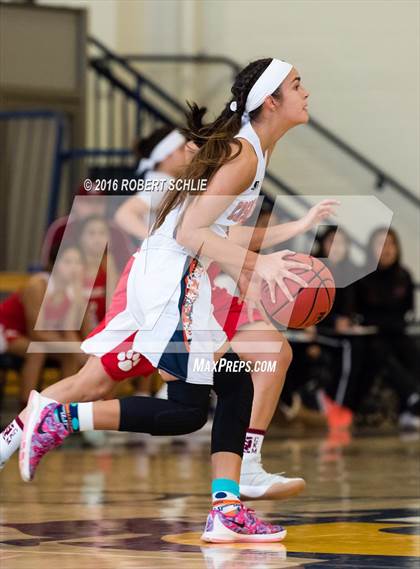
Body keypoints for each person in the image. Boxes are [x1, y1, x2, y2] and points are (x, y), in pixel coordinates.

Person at [18, 58, 322, 542]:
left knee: (237, 383)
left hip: (181, 278)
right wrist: (258, 265)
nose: (306, 92)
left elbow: (220, 228)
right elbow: (189, 231)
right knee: (185, 411)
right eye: (296, 85)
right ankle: (61, 417)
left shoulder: (252, 154)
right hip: (172, 278)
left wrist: (294, 230)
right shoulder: (244, 155)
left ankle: (226, 508)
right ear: (271, 101)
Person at [0, 246, 87, 408]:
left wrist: (82, 352)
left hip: (35, 336)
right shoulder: (38, 285)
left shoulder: (75, 292)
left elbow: (69, 332)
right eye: (67, 262)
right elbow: (36, 333)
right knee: (37, 351)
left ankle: (64, 409)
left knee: (71, 356)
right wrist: (74, 347)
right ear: (54, 264)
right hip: (7, 329)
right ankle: (26, 409)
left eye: (77, 263)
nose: (73, 268)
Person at [354, 227, 420, 429]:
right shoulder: (361, 276)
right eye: (380, 244)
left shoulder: (404, 276)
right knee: (381, 352)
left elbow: (407, 312)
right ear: (370, 249)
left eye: (391, 244)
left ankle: (408, 410)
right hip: (372, 337)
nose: (386, 249)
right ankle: (414, 396)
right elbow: (358, 314)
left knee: (412, 351)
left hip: (397, 333)